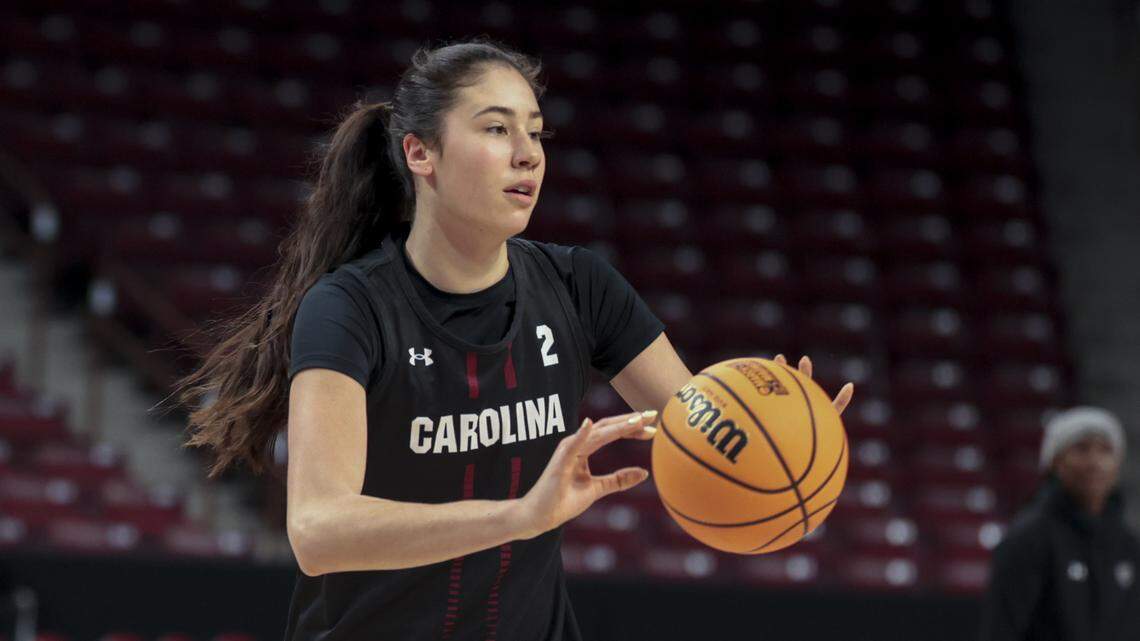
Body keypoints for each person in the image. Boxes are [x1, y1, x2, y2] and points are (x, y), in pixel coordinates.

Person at [170, 38, 855, 640]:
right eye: (497, 129)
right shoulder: (348, 308)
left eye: (535, 132)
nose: (528, 155)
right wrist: (519, 517)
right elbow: (318, 531)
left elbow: (695, 427)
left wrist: (776, 433)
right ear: (420, 153)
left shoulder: (580, 285)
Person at [980, 406, 1140, 640]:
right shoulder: (1027, 540)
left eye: (1106, 450)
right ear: (1054, 462)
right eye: (1081, 449)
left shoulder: (1129, 546)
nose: (1095, 462)